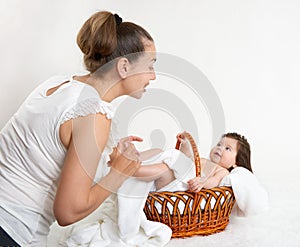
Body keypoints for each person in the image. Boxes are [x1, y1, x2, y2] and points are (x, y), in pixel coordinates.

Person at [0, 11, 157, 247]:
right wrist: (119, 174)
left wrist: (107, 157)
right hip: (11, 231)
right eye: (150, 66)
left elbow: (42, 153)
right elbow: (68, 212)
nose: (153, 77)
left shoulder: (57, 84)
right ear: (124, 67)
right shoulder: (92, 113)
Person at [124, 131, 252, 192]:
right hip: (177, 176)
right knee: (158, 151)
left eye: (227, 148)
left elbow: (214, 181)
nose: (220, 148)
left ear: (236, 163)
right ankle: (134, 158)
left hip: (179, 185)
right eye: (219, 144)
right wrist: (185, 145)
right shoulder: (203, 160)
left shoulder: (223, 171)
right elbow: (186, 160)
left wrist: (203, 181)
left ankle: (132, 169)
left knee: (165, 169)